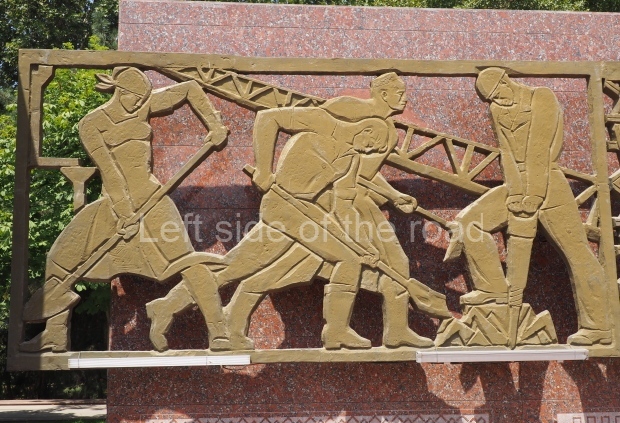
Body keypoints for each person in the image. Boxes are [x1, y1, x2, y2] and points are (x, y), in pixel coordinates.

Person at [20, 66, 231, 352]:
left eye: (144, 99)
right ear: (120, 91)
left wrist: (214, 126)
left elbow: (190, 89)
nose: (139, 105)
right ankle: (55, 334)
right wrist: (124, 212)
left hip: (152, 199)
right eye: (135, 98)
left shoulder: (142, 106)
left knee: (187, 261)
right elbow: (110, 171)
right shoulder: (93, 124)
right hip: (113, 203)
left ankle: (219, 333)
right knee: (60, 257)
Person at [217, 103, 449, 350]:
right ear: (367, 130)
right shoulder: (321, 122)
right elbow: (267, 117)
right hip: (285, 206)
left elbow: (344, 206)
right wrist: (264, 169)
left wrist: (363, 244)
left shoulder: (351, 160)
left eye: (374, 151)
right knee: (245, 267)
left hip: (311, 213)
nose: (369, 151)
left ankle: (233, 316)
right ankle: (336, 331)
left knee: (273, 269)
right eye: (371, 146)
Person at [445, 67, 611, 346]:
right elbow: (507, 154)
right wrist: (515, 192)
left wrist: (533, 194)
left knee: (578, 253)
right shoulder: (497, 109)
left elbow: (539, 148)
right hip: (518, 185)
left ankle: (599, 327)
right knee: (470, 223)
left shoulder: (540, 98)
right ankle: (494, 290)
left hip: (549, 182)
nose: (497, 102)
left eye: (498, 95)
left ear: (505, 81)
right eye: (492, 100)